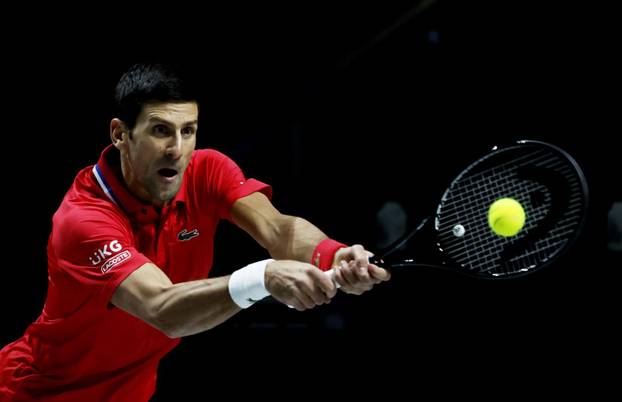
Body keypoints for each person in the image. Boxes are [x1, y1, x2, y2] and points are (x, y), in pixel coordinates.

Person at [0, 63, 390, 401]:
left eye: (188, 131)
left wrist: (332, 254)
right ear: (120, 134)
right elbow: (162, 308)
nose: (177, 149)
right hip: (37, 394)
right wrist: (264, 277)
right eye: (160, 131)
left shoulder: (207, 172)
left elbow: (279, 228)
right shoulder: (84, 220)